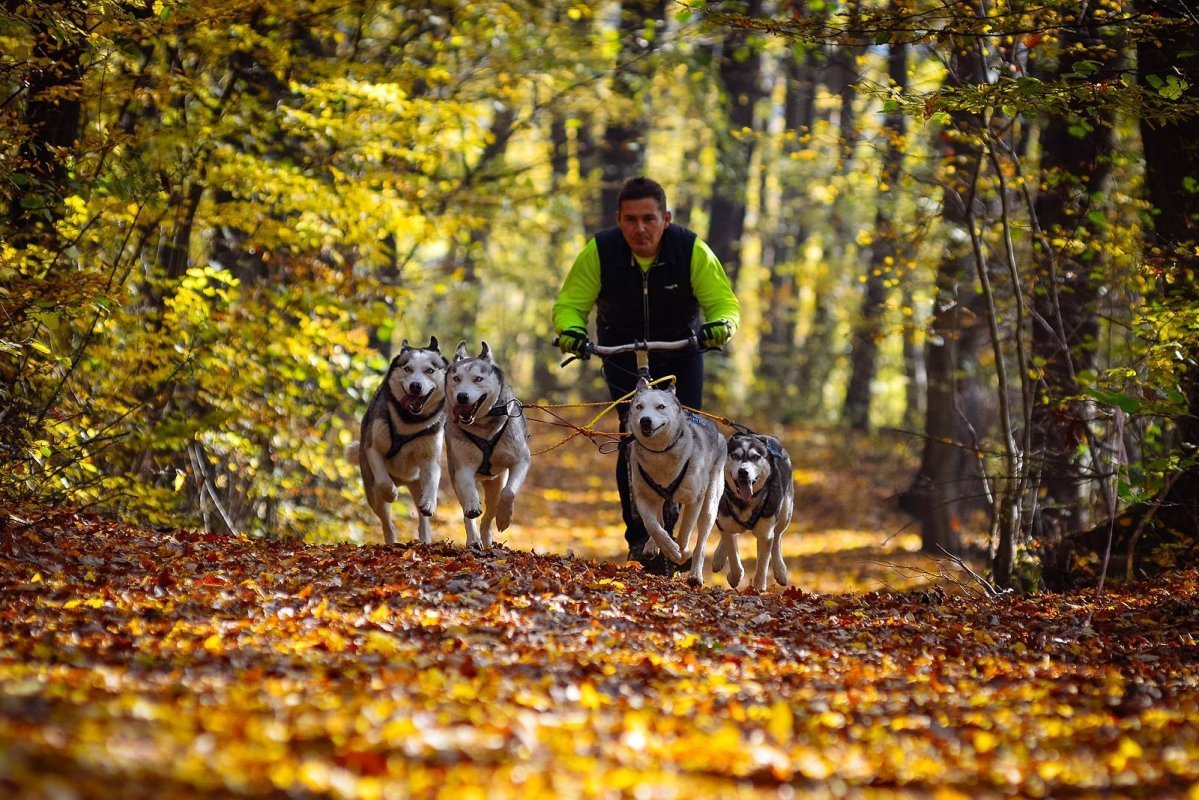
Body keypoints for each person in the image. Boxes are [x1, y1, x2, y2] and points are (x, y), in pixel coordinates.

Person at [553, 176, 741, 575]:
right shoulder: (600, 251)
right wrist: (571, 331)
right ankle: (640, 538)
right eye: (631, 219)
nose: (640, 229)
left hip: (680, 352)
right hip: (620, 351)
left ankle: (676, 532)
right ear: (618, 219)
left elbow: (723, 303)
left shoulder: (691, 250)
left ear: (666, 218)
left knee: (684, 435)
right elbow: (570, 303)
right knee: (631, 437)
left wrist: (720, 326)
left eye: (649, 219)